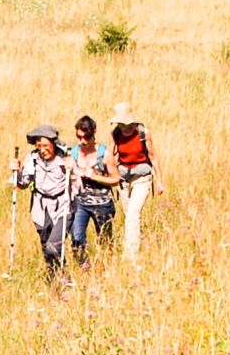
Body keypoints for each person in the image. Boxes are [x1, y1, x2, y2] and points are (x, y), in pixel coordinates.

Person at [12, 126, 73, 277]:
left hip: (62, 207)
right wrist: (16, 171)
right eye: (39, 146)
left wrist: (72, 168)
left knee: (54, 245)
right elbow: (23, 184)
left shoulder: (64, 158)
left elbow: (78, 183)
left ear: (53, 144)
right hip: (40, 208)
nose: (42, 150)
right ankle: (54, 276)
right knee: (46, 246)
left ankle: (63, 275)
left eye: (46, 146)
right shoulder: (32, 159)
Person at [109, 102, 161, 262]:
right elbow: (110, 155)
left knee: (133, 213)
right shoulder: (115, 133)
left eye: (124, 123)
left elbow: (153, 156)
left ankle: (131, 254)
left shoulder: (143, 132)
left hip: (142, 178)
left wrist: (159, 180)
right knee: (128, 215)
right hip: (123, 180)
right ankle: (134, 242)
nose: (123, 127)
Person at [67, 115, 120, 263]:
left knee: (104, 239)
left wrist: (95, 176)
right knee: (76, 237)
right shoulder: (74, 153)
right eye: (79, 137)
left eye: (86, 137)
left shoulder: (104, 154)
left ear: (94, 133)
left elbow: (116, 179)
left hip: (102, 204)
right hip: (80, 203)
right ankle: (83, 266)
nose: (83, 141)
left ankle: (107, 266)